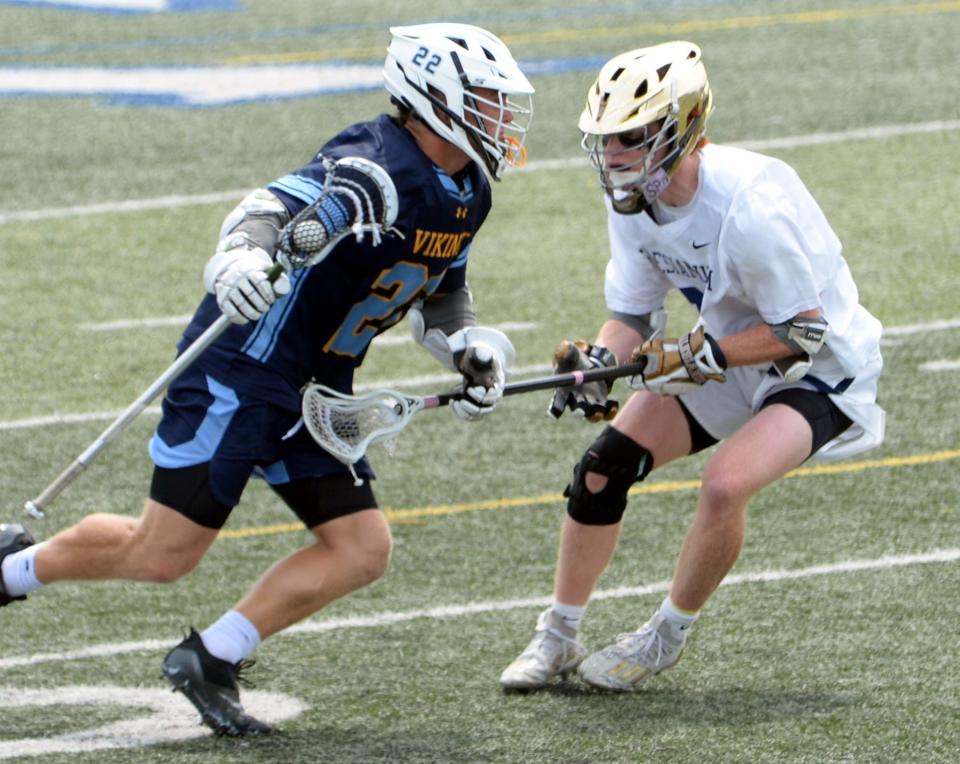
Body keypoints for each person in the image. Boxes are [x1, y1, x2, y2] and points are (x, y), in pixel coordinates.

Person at [0, 22, 534, 735]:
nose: (502, 117)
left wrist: (468, 350)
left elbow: (439, 293)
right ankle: (10, 573)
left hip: (317, 390)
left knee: (361, 548)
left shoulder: (469, 189)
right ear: (435, 96)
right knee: (162, 555)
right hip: (247, 368)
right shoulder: (374, 161)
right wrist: (238, 259)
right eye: (489, 99)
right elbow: (268, 208)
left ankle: (211, 657)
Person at [499, 40, 884, 692]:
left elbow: (802, 331)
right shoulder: (633, 198)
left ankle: (663, 636)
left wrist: (696, 356)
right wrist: (597, 364)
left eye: (630, 136)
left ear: (680, 128)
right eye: (606, 138)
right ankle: (559, 635)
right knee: (602, 469)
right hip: (732, 350)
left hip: (820, 368)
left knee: (725, 486)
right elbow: (634, 316)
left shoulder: (749, 205)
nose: (612, 153)